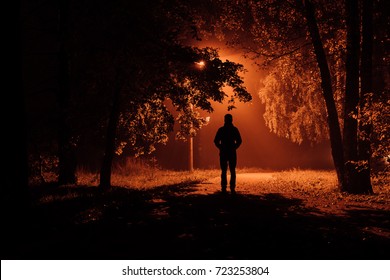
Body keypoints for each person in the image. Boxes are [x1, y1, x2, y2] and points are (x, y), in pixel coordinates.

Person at [214, 113, 242, 194]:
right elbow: (239, 141)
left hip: (223, 152)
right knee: (232, 170)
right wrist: (234, 147)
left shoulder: (221, 130)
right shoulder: (235, 129)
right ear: (232, 120)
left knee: (224, 170)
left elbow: (215, 141)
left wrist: (220, 147)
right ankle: (232, 187)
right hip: (232, 152)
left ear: (224, 120)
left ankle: (223, 187)